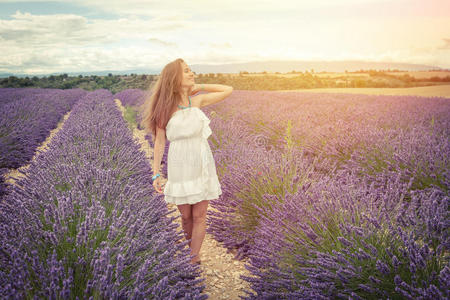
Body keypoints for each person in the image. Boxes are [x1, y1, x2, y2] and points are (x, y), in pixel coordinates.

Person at [140, 58, 233, 265]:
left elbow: (228, 89)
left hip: (201, 160)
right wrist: (155, 172)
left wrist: (198, 87)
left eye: (191, 70)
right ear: (175, 78)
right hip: (179, 163)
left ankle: (193, 258)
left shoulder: (197, 101)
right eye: (187, 71)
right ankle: (190, 250)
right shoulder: (165, 107)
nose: (192, 73)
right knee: (185, 216)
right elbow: (159, 142)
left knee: (200, 215)